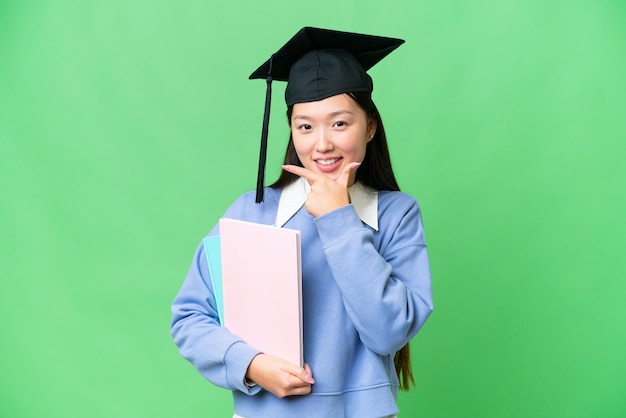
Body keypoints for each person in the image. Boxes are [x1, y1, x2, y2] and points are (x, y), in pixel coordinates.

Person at [171, 27, 434, 418]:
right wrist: (250, 364)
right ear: (292, 131)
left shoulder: (396, 215)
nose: (322, 143)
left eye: (340, 124)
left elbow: (388, 333)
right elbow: (189, 317)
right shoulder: (251, 212)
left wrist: (338, 218)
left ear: (371, 126)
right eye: (305, 126)